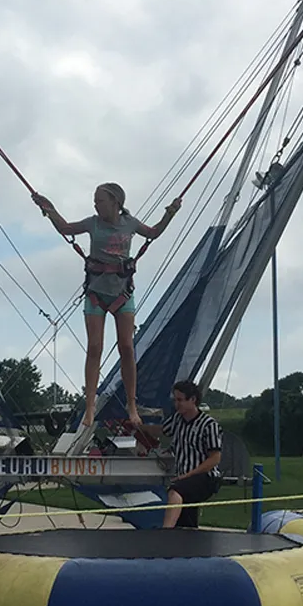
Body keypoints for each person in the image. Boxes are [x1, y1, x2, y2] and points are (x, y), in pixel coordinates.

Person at [33, 182, 181, 427]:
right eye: (94, 201)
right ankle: (90, 406)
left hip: (122, 293)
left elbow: (154, 232)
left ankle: (131, 404)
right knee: (95, 347)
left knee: (127, 347)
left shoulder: (130, 223)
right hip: (96, 294)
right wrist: (48, 208)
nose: (95, 205)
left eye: (99, 201)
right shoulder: (93, 223)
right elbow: (65, 228)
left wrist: (170, 213)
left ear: (115, 202)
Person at [159, 380, 222, 529]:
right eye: (175, 400)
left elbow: (215, 458)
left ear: (193, 399)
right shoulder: (177, 419)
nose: (176, 404)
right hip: (184, 477)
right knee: (185, 517)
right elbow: (161, 431)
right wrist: (139, 427)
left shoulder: (209, 425)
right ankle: (186, 537)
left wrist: (188, 475)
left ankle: (165, 532)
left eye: (180, 400)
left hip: (205, 477)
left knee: (175, 492)